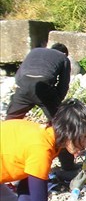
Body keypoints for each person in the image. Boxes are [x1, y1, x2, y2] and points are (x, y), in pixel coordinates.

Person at [5, 43, 77, 176]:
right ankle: (68, 166)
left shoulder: (35, 51)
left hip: (23, 85)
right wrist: (56, 104)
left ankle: (6, 158)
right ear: (65, 53)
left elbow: (19, 73)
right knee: (61, 127)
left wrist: (22, 89)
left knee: (9, 122)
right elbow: (63, 85)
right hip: (44, 86)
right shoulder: (63, 58)